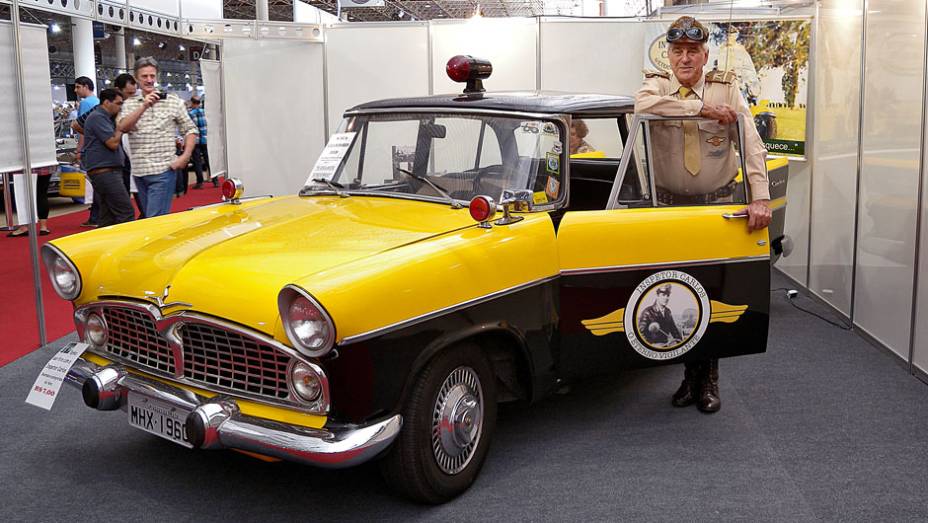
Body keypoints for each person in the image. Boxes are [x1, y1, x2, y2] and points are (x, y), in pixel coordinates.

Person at [634, 16, 772, 414]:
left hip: (717, 204)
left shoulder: (727, 89)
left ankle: (708, 380)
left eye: (693, 51)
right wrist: (698, 108)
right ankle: (686, 378)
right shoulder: (657, 86)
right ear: (669, 55)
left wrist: (759, 197)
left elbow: (752, 146)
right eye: (678, 51)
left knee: (712, 292)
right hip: (671, 207)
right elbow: (641, 106)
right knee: (676, 291)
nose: (685, 58)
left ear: (705, 54)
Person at [117, 57, 198, 218]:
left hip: (163, 171)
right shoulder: (130, 104)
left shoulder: (172, 101)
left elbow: (190, 130)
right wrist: (144, 106)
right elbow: (122, 127)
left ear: (157, 77)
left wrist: (185, 156)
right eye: (144, 76)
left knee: (155, 219)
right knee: (152, 220)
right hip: (139, 172)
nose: (149, 80)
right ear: (137, 79)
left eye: (152, 76)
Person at [81, 88, 134, 227]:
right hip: (105, 172)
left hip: (106, 172)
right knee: (126, 212)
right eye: (118, 103)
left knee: (108, 217)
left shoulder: (103, 118)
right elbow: (112, 143)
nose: (120, 107)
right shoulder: (98, 117)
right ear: (106, 102)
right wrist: (120, 128)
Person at [114, 73, 145, 219]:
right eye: (129, 93)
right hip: (119, 161)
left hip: (138, 159)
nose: (133, 96)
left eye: (134, 92)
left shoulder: (140, 104)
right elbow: (79, 124)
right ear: (118, 90)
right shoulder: (110, 108)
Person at [72, 76, 100, 227]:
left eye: (77, 87)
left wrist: (79, 150)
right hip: (99, 147)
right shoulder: (98, 101)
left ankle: (96, 216)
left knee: (94, 183)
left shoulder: (85, 103)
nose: (76, 91)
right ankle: (96, 215)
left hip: (89, 148)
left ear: (85, 86)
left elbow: (83, 128)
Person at [6, 167, 52, 237]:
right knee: (41, 194)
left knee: (22, 195)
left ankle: (24, 227)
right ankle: (43, 227)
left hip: (22, 167)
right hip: (43, 164)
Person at [187, 96, 215, 188]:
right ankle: (215, 180)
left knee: (197, 161)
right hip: (206, 139)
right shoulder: (205, 112)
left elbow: (193, 126)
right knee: (209, 160)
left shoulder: (191, 113)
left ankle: (200, 182)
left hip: (196, 140)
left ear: (192, 103)